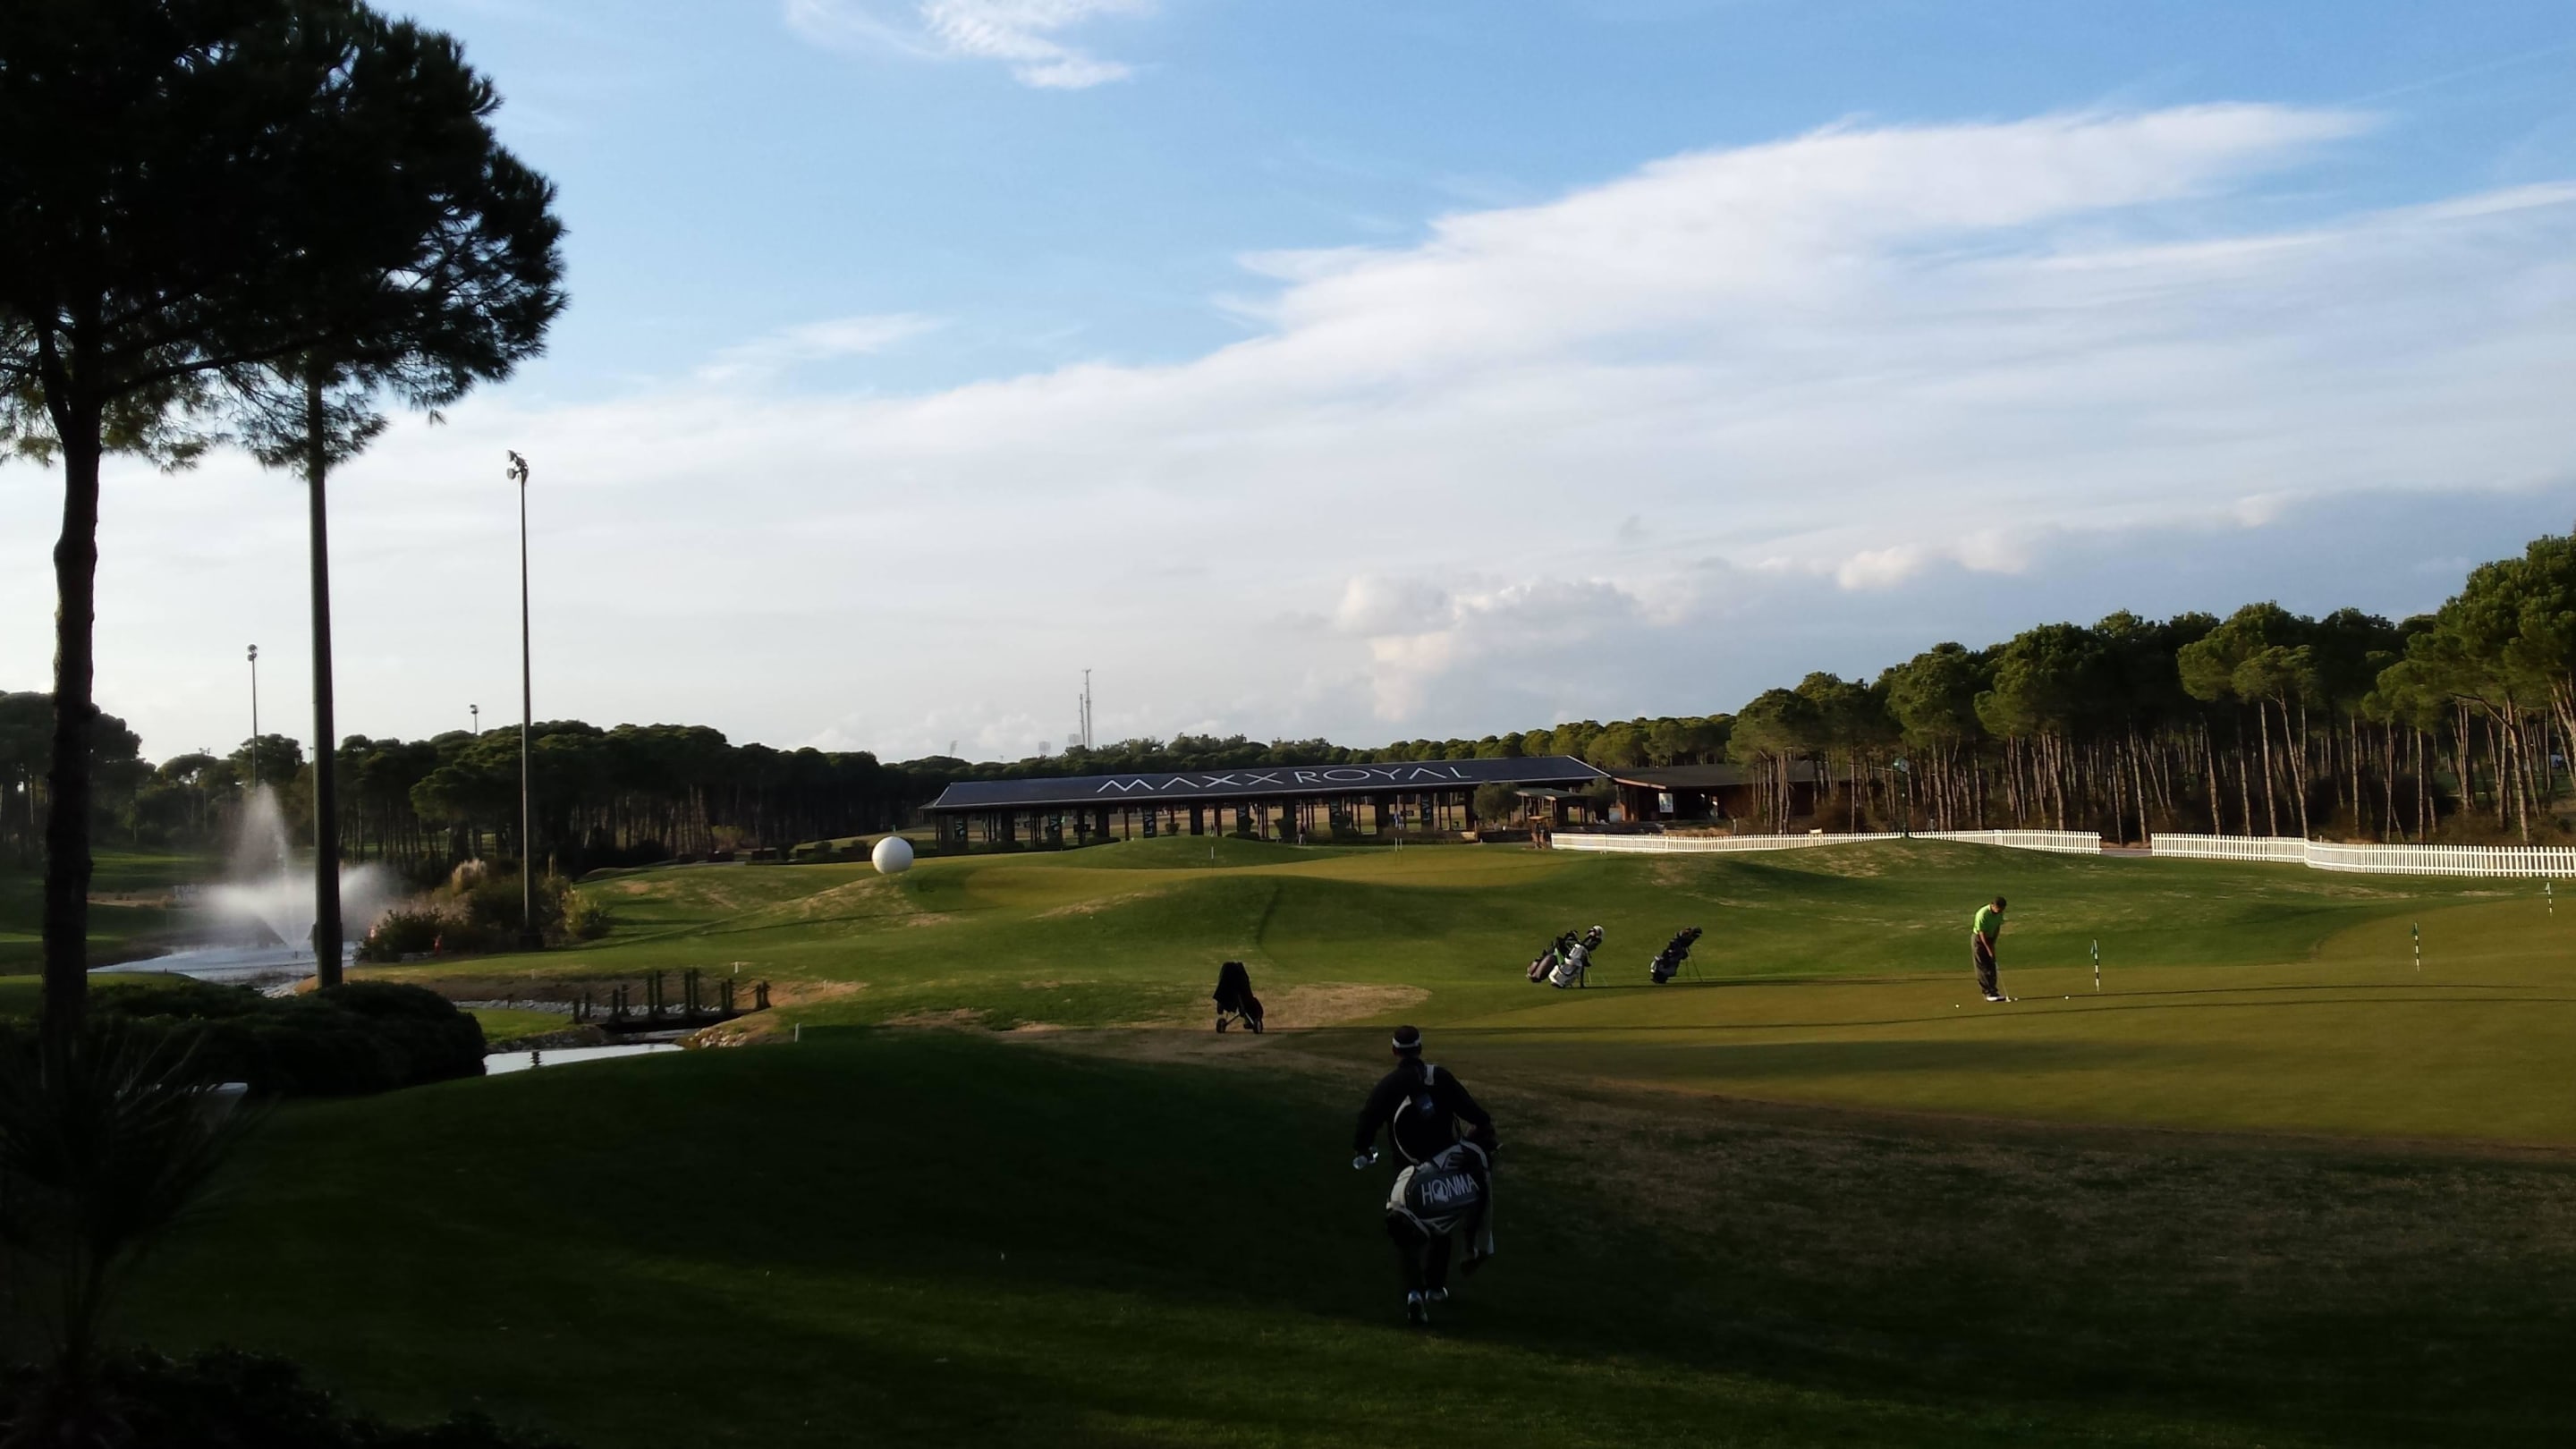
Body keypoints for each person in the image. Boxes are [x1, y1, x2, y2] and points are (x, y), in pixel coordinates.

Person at [1352, 1025, 1498, 1325]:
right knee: (1441, 1228)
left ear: (1394, 1051)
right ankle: (1435, 1288)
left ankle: (1414, 1294)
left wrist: (1362, 1149)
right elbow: (1476, 1114)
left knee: (1405, 1233)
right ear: (1420, 1048)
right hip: (1444, 1168)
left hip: (1407, 1171)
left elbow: (1368, 1119)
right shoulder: (1439, 1077)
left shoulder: (1390, 1084)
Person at [1971, 895, 2007, 1001]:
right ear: (1992, 905)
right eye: (1998, 909)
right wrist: (1988, 949)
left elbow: (1997, 927)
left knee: (1991, 964)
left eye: (2001, 909)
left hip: (1990, 938)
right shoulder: (1982, 914)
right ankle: (1987, 993)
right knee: (1982, 966)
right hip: (1979, 940)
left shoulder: (1999, 913)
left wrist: (1993, 943)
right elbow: (1981, 933)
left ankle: (1993, 990)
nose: (2000, 911)